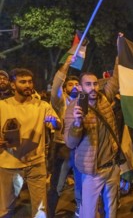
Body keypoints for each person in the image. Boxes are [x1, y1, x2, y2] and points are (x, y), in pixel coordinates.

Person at [0, 68, 61, 217]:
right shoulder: (2, 106)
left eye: (30, 81)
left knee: (40, 210)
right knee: (6, 209)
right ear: (13, 85)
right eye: (23, 82)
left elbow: (57, 124)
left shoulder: (42, 106)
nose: (28, 85)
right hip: (9, 165)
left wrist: (54, 122)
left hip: (36, 164)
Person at [64, 72, 120, 218]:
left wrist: (121, 50)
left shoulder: (104, 100)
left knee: (112, 209)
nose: (93, 88)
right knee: (88, 213)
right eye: (88, 84)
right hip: (92, 170)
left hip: (112, 166)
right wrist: (77, 123)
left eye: (95, 84)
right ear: (81, 88)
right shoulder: (73, 108)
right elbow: (70, 143)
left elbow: (116, 79)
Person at [47, 56, 82, 217]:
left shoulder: (85, 102)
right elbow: (55, 87)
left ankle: (81, 211)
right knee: (57, 186)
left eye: (77, 84)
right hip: (63, 149)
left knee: (81, 185)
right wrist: (67, 64)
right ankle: (50, 213)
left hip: (82, 149)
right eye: (70, 84)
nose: (74, 86)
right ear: (66, 89)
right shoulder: (61, 102)